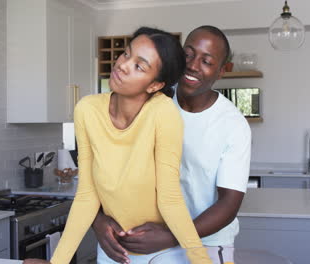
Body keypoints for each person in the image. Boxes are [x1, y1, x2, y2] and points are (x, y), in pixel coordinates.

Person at [23, 27, 212, 264]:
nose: (122, 65)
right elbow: (87, 194)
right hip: (116, 252)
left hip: (162, 252)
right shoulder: (87, 109)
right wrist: (57, 262)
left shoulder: (163, 113)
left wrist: (201, 260)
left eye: (139, 66)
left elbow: (169, 197)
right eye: (126, 54)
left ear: (154, 85)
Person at [92, 25, 251, 264]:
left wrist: (172, 236)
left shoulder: (233, 125)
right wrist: (98, 221)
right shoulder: (151, 98)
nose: (193, 65)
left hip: (203, 241)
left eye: (206, 61)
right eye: (188, 54)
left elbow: (229, 204)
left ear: (223, 70)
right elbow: (104, 168)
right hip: (136, 239)